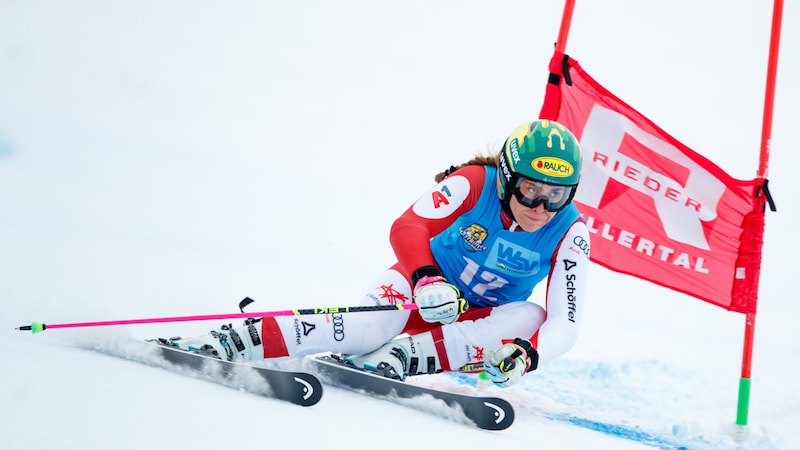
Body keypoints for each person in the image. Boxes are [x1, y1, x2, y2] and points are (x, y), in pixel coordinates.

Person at [169, 119, 590, 388]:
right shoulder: (474, 182)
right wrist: (426, 277)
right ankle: (238, 338)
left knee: (530, 317)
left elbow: (564, 324)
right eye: (530, 189)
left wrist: (526, 357)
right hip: (418, 289)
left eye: (556, 195)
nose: (541, 208)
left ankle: (404, 357)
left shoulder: (570, 230)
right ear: (506, 178)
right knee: (367, 329)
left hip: (474, 325)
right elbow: (407, 226)